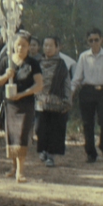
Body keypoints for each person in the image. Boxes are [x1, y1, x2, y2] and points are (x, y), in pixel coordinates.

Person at [0, 30, 44, 183]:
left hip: (25, 104)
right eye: (18, 45)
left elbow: (39, 84)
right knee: (11, 135)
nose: (20, 48)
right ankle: (13, 166)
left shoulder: (32, 63)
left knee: (22, 135)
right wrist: (6, 76)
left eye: (24, 45)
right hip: (10, 104)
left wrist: (22, 94)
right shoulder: (6, 61)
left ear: (29, 46)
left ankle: (20, 171)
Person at [72, 28, 103, 163]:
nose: (94, 43)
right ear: (87, 41)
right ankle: (90, 152)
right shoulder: (83, 56)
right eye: (91, 40)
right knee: (87, 123)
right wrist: (71, 91)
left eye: (96, 40)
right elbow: (77, 77)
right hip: (87, 91)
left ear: (101, 40)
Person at [36, 35, 73, 167]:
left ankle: (51, 155)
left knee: (54, 129)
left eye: (51, 45)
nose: (48, 48)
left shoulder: (61, 64)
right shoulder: (38, 61)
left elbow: (66, 83)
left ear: (57, 47)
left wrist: (68, 100)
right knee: (41, 128)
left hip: (56, 102)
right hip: (40, 101)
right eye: (45, 45)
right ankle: (43, 150)